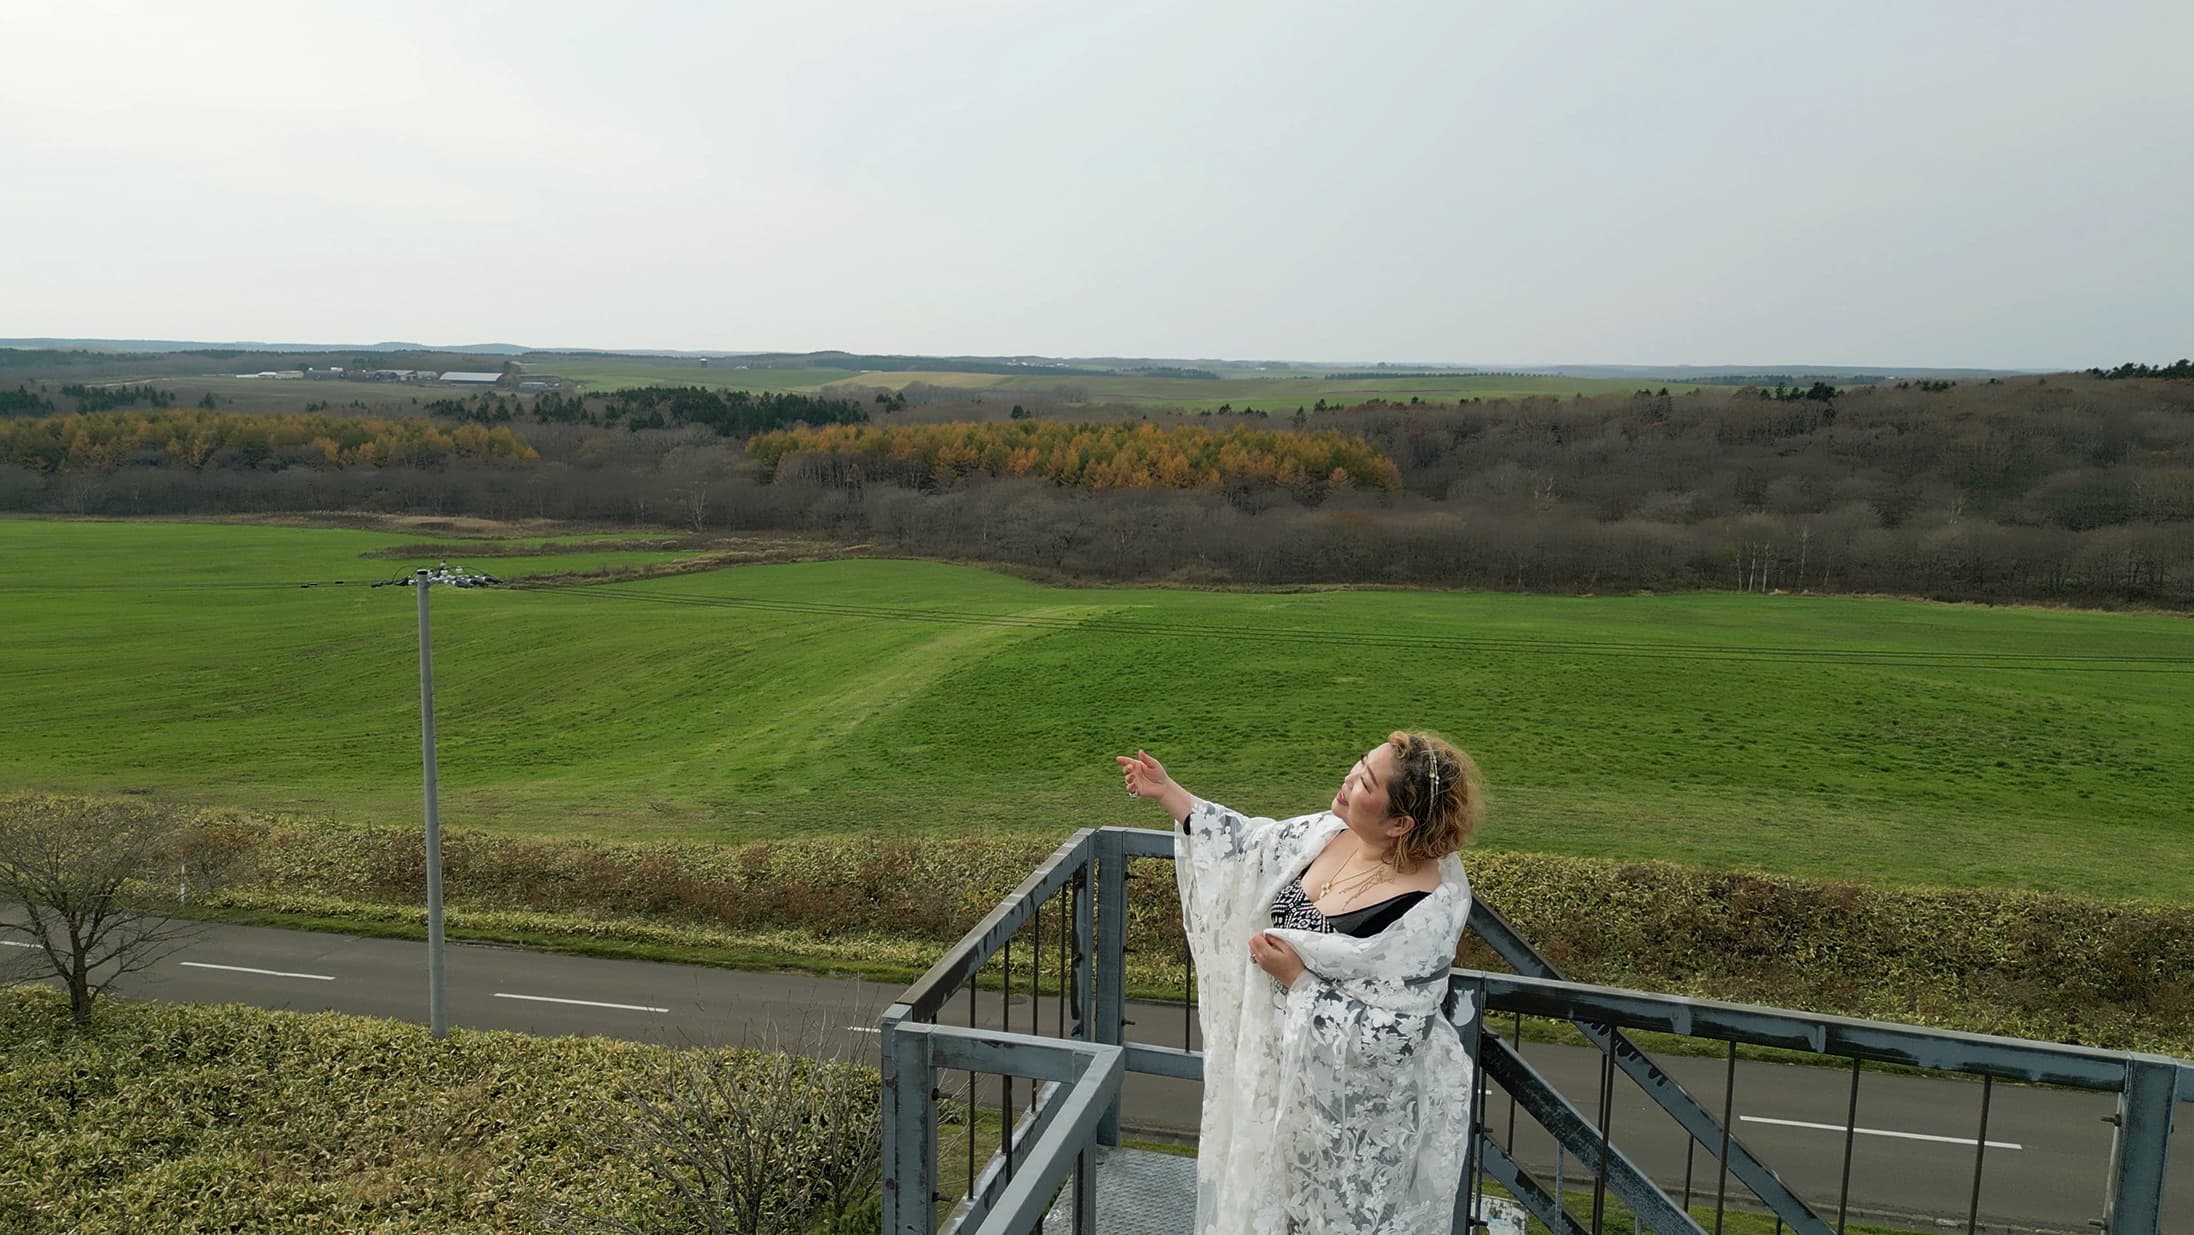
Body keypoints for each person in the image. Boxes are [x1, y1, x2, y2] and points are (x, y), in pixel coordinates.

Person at [1115, 732, 1483, 1235]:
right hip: (1269, 1088)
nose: (1349, 778)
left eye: (1366, 782)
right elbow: (1249, 845)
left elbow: (1396, 1037)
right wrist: (1167, 792)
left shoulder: (1425, 914)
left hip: (1339, 1127)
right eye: (1359, 764)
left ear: (1400, 823)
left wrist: (1300, 982)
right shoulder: (1329, 832)